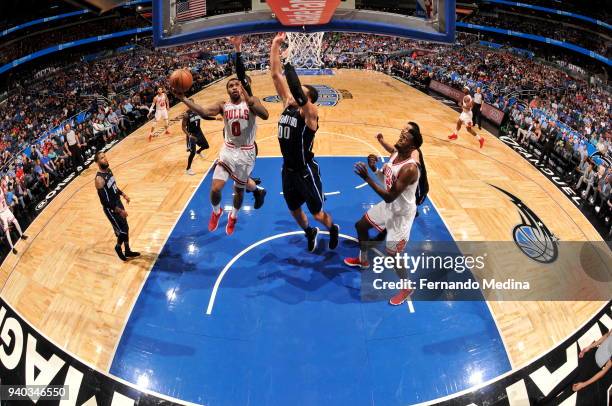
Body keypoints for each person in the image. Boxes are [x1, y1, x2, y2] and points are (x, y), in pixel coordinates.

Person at [173, 64, 269, 236]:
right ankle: (217, 212)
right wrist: (183, 98)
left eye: (237, 84)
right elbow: (203, 111)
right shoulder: (223, 105)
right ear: (227, 91)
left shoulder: (252, 102)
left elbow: (265, 115)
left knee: (238, 191)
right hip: (228, 150)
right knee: (216, 188)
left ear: (242, 87)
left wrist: (249, 98)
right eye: (230, 86)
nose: (234, 87)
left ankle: (233, 216)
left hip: (246, 152)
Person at [270, 32, 339, 252]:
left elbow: (298, 92)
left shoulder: (310, 113)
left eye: (300, 93)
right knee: (293, 209)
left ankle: (332, 227)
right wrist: (275, 46)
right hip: (287, 170)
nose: (291, 93)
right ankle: (310, 232)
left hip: (305, 170)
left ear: (308, 99)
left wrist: (290, 63)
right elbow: (275, 75)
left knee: (317, 213)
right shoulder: (287, 105)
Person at [343, 122, 422, 306]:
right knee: (360, 225)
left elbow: (390, 195)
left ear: (412, 146)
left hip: (401, 216)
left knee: (392, 254)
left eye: (406, 134)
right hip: (390, 206)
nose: (402, 134)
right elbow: (387, 180)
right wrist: (374, 169)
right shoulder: (395, 154)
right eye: (402, 131)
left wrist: (367, 178)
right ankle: (363, 260)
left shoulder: (410, 168)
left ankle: (407, 287)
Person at [539, 330, 611, 405]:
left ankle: (545, 402)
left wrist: (583, 384)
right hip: (591, 355)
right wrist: (589, 347)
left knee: (570, 389)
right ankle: (544, 401)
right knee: (567, 381)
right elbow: (606, 336)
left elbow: (604, 371)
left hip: (594, 367)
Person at [94, 152, 140, 261]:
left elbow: (114, 186)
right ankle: (118, 247)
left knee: (126, 228)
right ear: (97, 162)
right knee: (122, 231)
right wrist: (119, 211)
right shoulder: (99, 179)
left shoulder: (109, 171)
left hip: (118, 202)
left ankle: (127, 250)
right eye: (101, 158)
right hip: (111, 209)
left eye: (104, 156)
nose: (105, 159)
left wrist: (123, 195)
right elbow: (104, 202)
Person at [182, 98, 218, 175]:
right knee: (192, 153)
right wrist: (189, 136)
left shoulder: (197, 111)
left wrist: (215, 118)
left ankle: (199, 151)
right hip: (192, 134)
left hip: (199, 132)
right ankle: (188, 169)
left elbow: (204, 117)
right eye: (188, 104)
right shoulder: (186, 114)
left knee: (206, 146)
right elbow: (183, 127)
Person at [0, 187, 27, 255]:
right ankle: (12, 248)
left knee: (15, 221)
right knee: (7, 231)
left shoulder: (1, 190)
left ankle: (21, 235)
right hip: (2, 214)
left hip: (7, 210)